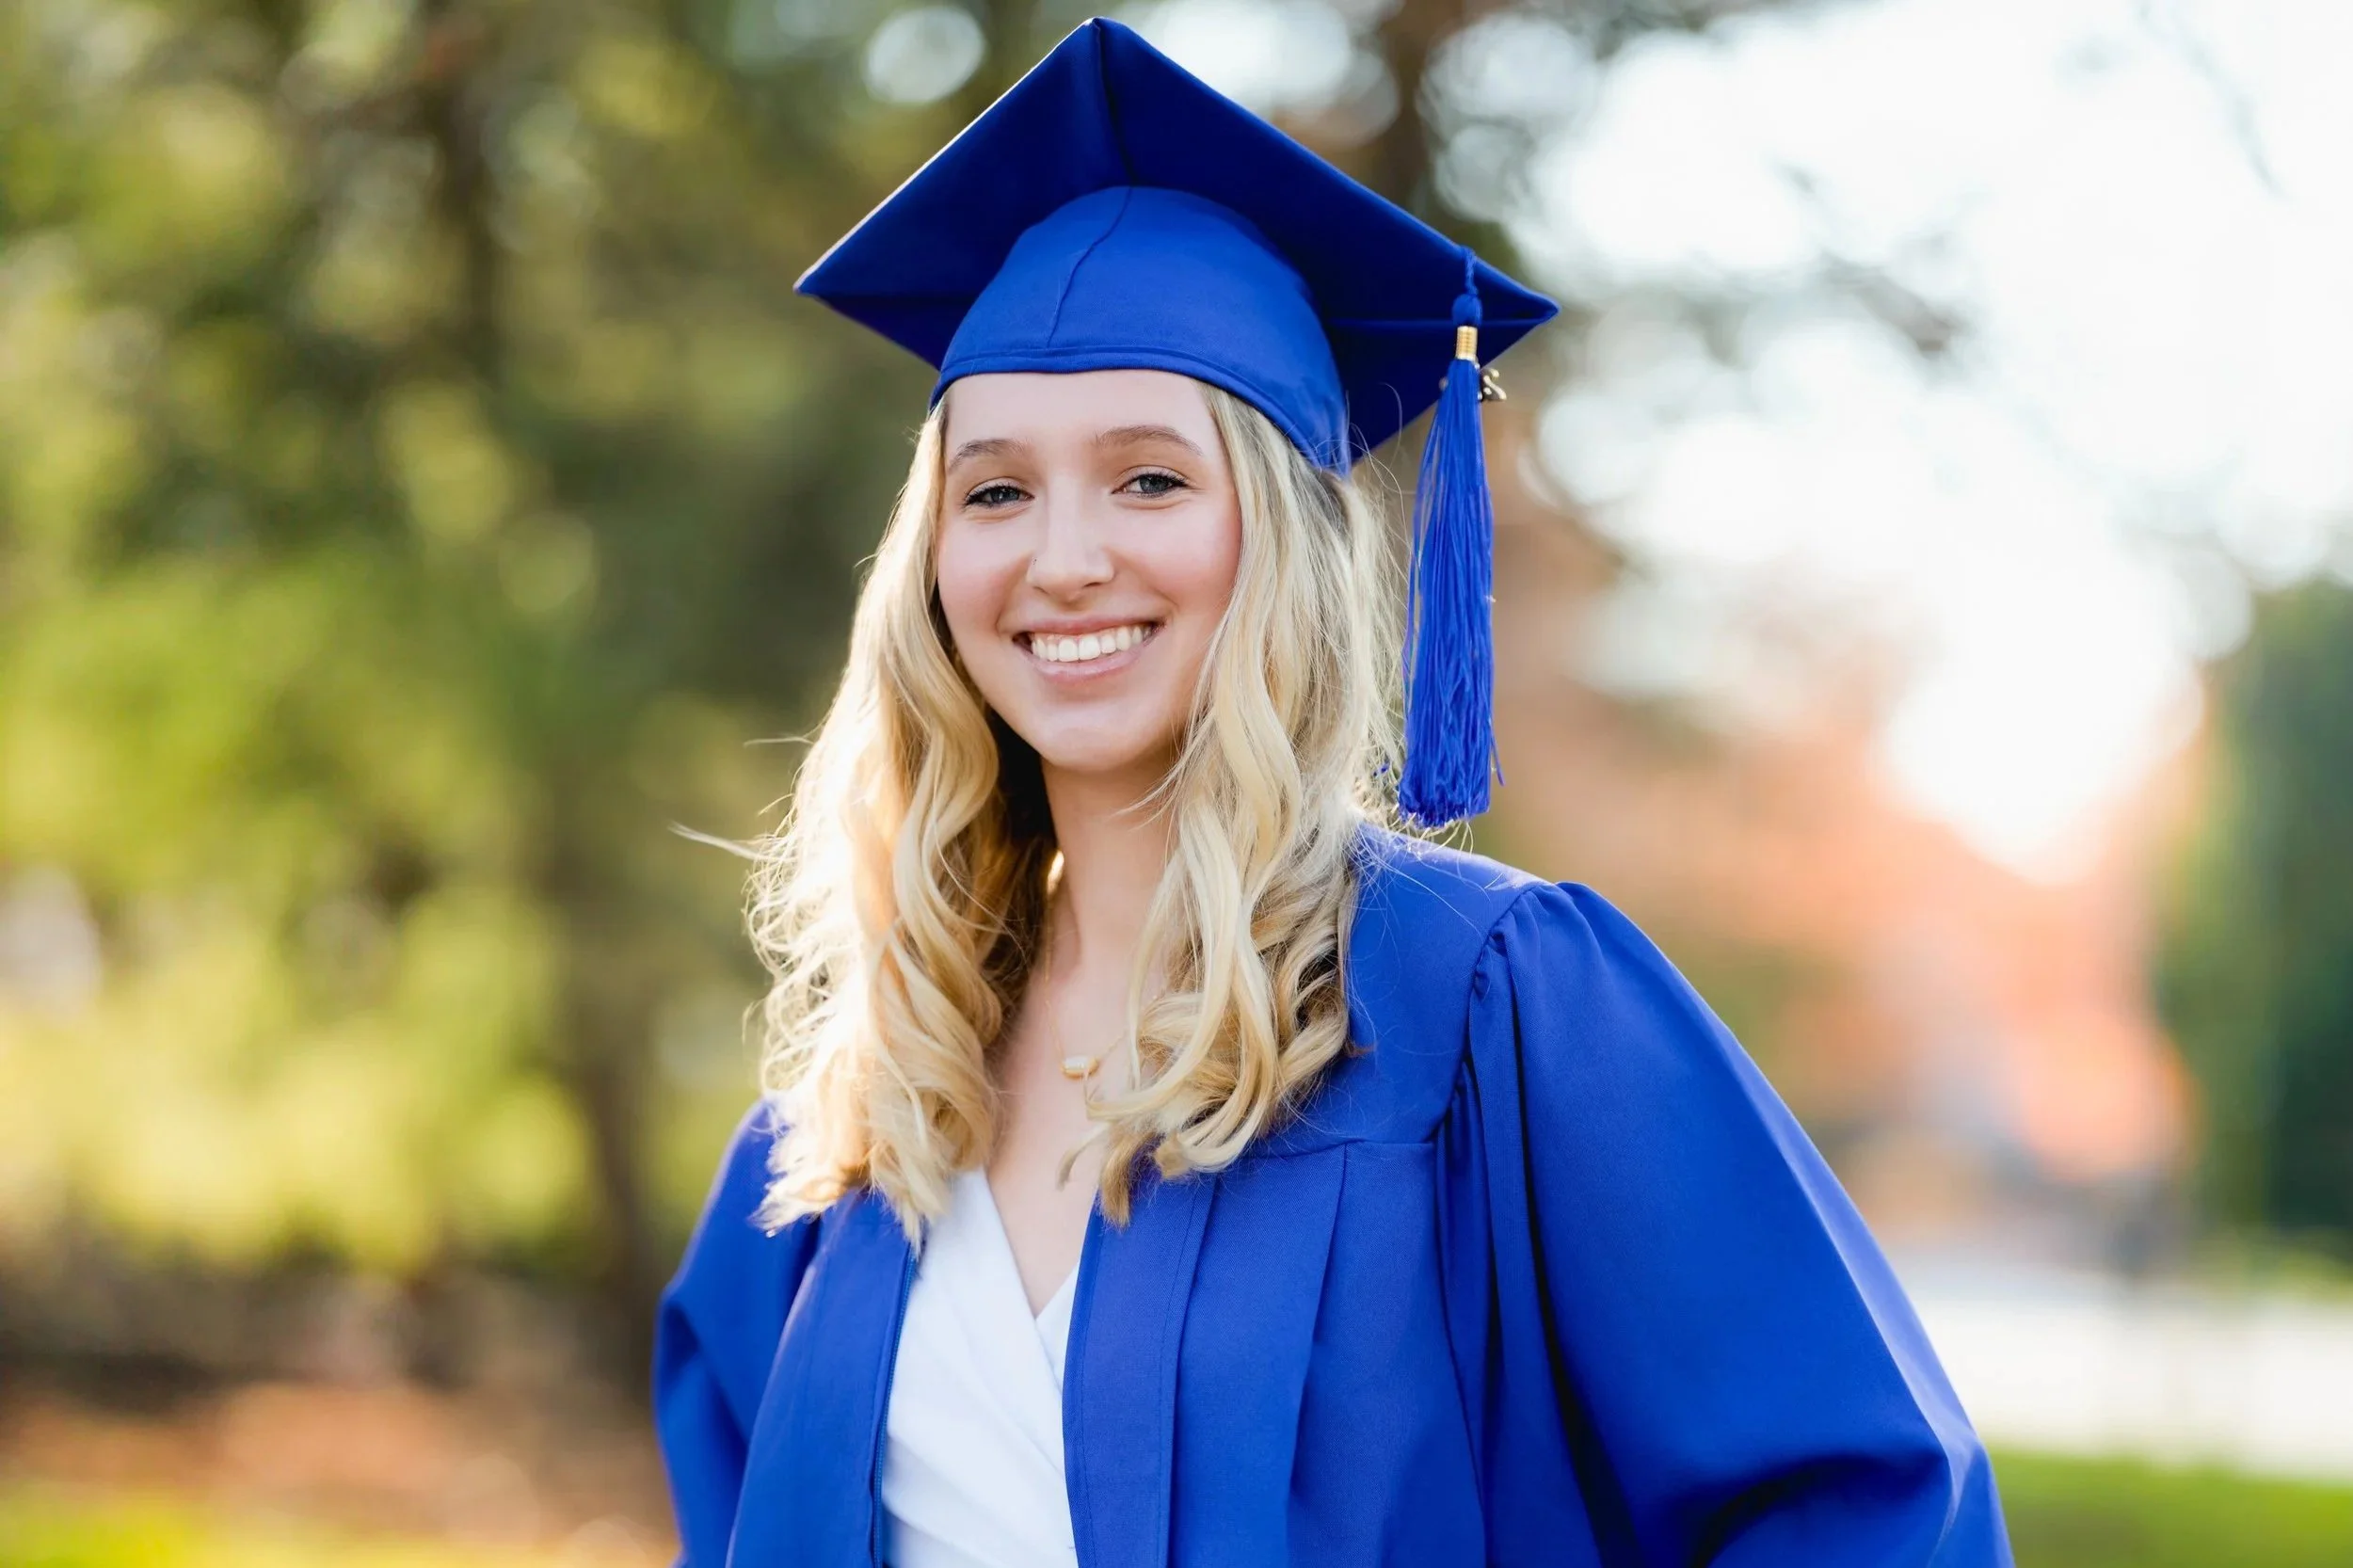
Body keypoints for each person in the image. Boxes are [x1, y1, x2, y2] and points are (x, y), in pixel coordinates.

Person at [653, 17, 2013, 1568]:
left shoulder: (1483, 1004)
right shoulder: (854, 1108)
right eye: (998, 489)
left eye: (1151, 476)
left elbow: (1864, 1507)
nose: (1065, 553)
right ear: (932, 563)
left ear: (1279, 541)